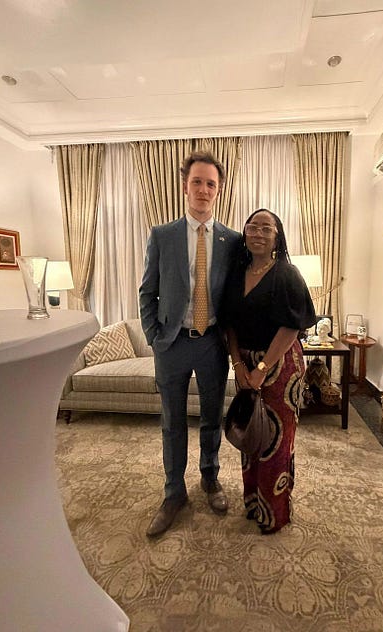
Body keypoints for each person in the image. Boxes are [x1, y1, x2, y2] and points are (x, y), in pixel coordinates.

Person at [139, 150, 241, 537]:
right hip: (172, 344)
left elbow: (236, 295)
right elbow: (147, 292)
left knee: (212, 417)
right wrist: (154, 337)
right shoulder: (162, 235)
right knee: (172, 422)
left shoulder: (231, 240)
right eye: (196, 181)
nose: (203, 189)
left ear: (219, 190)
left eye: (210, 183)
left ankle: (210, 478)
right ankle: (173, 493)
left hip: (212, 343)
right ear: (185, 186)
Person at [222, 209, 316, 534]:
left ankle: (274, 513)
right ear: (245, 233)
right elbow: (229, 324)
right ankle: (253, 502)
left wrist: (262, 369)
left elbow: (291, 327)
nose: (259, 233)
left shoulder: (287, 274)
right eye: (253, 227)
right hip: (246, 365)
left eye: (267, 228)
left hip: (282, 366)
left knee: (277, 439)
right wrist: (238, 365)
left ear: (277, 237)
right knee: (252, 433)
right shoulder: (236, 274)